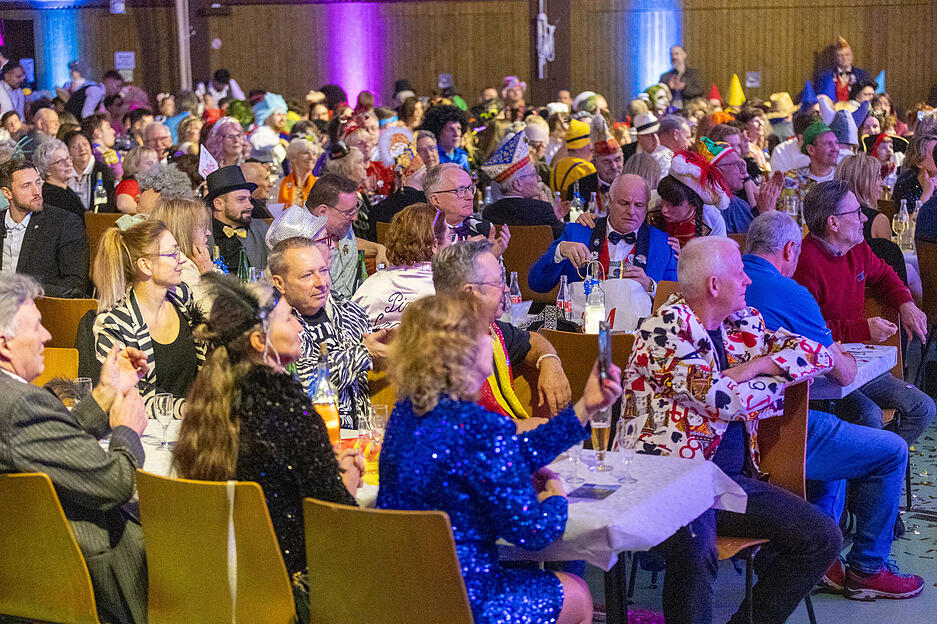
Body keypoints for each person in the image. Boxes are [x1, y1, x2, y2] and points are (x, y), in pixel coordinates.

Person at [624, 236, 842, 623]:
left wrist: (755, 367)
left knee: (822, 536)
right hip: (667, 479)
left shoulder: (744, 324)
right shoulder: (662, 332)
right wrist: (773, 382)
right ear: (714, 285)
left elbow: (818, 354)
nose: (748, 281)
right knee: (696, 548)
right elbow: (725, 402)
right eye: (739, 273)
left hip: (726, 485)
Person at [377, 292, 621, 624]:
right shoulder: (480, 427)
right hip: (470, 600)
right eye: (484, 334)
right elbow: (533, 532)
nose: (493, 339)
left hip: (405, 595)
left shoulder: (404, 416)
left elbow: (505, 455)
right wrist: (556, 496)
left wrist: (584, 407)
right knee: (577, 591)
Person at [741, 211, 924, 599]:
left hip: (720, 442)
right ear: (790, 249)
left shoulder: (724, 282)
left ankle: (823, 555)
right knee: (889, 449)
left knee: (848, 421)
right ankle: (866, 569)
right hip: (774, 437)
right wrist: (842, 353)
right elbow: (841, 373)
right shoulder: (789, 292)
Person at [172, 274, 360, 623]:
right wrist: (345, 480)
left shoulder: (211, 399)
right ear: (260, 340)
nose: (301, 327)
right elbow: (336, 521)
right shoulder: (289, 406)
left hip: (215, 588)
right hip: (288, 594)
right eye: (290, 318)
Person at [0, 273, 150, 624]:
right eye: (36, 327)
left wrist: (105, 393)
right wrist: (127, 430)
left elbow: (45, 445)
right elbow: (115, 484)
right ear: (5, 343)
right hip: (79, 566)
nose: (48, 336)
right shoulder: (20, 405)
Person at [793, 181, 935, 445]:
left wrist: (906, 303)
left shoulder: (856, 247)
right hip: (826, 371)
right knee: (868, 415)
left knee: (922, 407)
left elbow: (884, 275)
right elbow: (811, 332)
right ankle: (873, 462)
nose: (863, 219)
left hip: (861, 363)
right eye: (856, 212)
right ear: (833, 223)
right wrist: (864, 330)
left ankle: (879, 468)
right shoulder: (805, 264)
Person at [434, 240, 572, 420]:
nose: (506, 289)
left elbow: (531, 340)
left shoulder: (490, 329)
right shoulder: (439, 352)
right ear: (469, 292)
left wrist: (550, 361)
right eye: (498, 282)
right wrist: (529, 428)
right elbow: (465, 431)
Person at [268, 237, 386, 429]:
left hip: (357, 438)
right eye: (307, 275)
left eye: (323, 271)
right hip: (305, 441)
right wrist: (364, 353)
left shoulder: (351, 312)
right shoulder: (272, 324)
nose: (321, 282)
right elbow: (302, 385)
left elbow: (372, 366)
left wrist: (388, 350)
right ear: (280, 283)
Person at [92, 219, 205, 419]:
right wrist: (185, 408)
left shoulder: (182, 298)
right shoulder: (114, 323)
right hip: (146, 433)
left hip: (194, 427)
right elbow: (124, 395)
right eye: (172, 253)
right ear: (145, 265)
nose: (183, 260)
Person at [529, 173, 677, 293]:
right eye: (623, 203)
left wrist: (650, 286)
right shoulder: (578, 232)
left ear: (646, 207)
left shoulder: (664, 244)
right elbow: (537, 284)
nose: (631, 212)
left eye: (639, 205)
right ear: (610, 202)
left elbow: (676, 299)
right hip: (579, 326)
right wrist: (559, 251)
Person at [0, 159, 89, 297]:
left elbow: (75, 285)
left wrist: (27, 289)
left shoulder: (65, 223)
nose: (36, 192)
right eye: (26, 186)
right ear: (7, 193)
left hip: (43, 310)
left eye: (37, 182)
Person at [353, 203, 447, 329]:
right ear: (435, 245)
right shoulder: (448, 291)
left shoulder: (369, 287)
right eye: (450, 236)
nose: (452, 243)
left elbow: (350, 332)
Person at [306, 173, 386, 297]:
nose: (355, 218)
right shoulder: (299, 242)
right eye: (349, 212)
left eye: (356, 208)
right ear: (323, 212)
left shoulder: (338, 222)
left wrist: (378, 248)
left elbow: (349, 241)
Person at [481, 131, 564, 238]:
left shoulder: (489, 212)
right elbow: (564, 236)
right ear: (517, 184)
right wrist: (554, 215)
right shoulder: (542, 209)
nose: (539, 178)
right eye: (534, 174)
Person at [700, 137, 783, 234]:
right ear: (717, 170)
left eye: (743, 164)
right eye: (738, 165)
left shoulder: (738, 202)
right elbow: (755, 243)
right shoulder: (716, 207)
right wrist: (767, 213)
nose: (745, 172)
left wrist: (761, 208)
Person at [425, 163, 510, 255]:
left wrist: (493, 257)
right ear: (435, 200)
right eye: (460, 190)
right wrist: (464, 255)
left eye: (470, 188)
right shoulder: (422, 232)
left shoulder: (482, 228)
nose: (471, 196)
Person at [150, 197, 215, 312]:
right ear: (184, 232)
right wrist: (208, 276)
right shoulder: (181, 266)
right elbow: (211, 315)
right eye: (202, 227)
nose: (208, 233)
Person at [655, 151, 728, 249]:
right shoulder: (649, 205)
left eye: (672, 204)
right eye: (663, 200)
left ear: (693, 205)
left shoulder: (713, 221)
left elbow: (719, 260)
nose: (664, 210)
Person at [208, 165, 269, 272]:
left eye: (249, 199)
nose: (250, 205)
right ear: (218, 204)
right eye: (241, 200)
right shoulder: (202, 235)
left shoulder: (262, 231)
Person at [835, 153, 892, 241]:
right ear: (862, 181)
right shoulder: (879, 221)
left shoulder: (828, 215)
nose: (882, 183)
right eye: (877, 177)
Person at [781, 120, 839, 204]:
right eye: (828, 143)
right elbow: (788, 214)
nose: (835, 148)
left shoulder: (845, 176)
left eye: (836, 142)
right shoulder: (793, 179)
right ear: (811, 150)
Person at [33, 137, 86, 218]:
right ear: (47, 169)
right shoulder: (51, 197)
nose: (68, 164)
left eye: (68, 158)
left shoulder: (66, 190)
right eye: (60, 162)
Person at [65, 128, 116, 211]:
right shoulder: (64, 172)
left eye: (85, 144)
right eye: (75, 146)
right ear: (68, 151)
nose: (82, 149)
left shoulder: (104, 172)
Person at [550, 118, 597, 199]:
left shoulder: (558, 164)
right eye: (589, 143)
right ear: (581, 146)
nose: (592, 148)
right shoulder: (586, 168)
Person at [817, 37, 871, 103]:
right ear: (836, 57)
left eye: (847, 54)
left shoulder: (862, 75)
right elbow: (819, 98)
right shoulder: (824, 76)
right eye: (840, 55)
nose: (844, 58)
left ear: (852, 55)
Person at [892, 133, 937, 207]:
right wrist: (926, 194)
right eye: (934, 153)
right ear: (919, 162)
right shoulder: (904, 185)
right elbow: (908, 218)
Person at [421, 104, 470, 170]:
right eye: (450, 129)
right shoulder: (432, 156)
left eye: (459, 128)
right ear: (438, 131)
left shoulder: (462, 156)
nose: (457, 134)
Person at [114, 146, 159, 214]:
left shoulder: (145, 185)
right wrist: (149, 217)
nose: (155, 167)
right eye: (150, 163)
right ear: (134, 165)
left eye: (156, 163)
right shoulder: (130, 183)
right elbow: (123, 204)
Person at [278, 138, 319, 207]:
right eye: (306, 153)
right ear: (293, 158)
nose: (311, 157)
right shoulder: (278, 185)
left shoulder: (320, 185)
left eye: (314, 154)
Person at [81, 113, 122, 180]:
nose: (113, 131)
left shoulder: (85, 153)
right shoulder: (106, 155)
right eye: (108, 128)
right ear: (97, 133)